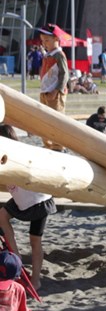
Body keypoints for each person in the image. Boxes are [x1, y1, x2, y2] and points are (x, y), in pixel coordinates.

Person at [0, 125, 57, 291]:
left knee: (35, 241)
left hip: (38, 201)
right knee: (2, 216)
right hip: (21, 200)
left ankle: (36, 279)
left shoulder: (19, 155)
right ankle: (16, 254)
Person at [36, 24, 68, 152]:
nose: (44, 44)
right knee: (44, 119)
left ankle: (58, 145)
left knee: (56, 120)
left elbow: (64, 74)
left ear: (56, 39)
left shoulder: (59, 55)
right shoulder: (49, 54)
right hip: (45, 91)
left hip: (55, 93)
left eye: (47, 41)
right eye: (43, 41)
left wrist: (57, 90)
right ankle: (48, 144)